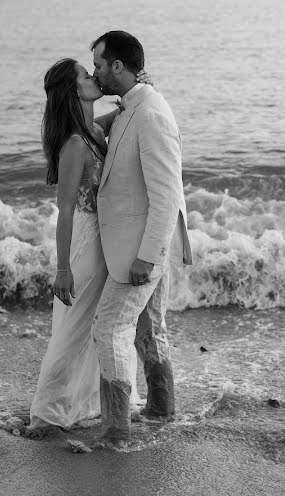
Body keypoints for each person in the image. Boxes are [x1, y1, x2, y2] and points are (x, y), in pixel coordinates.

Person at [26, 57, 144, 437]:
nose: (93, 76)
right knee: (74, 329)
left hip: (104, 240)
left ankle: (85, 405)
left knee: (97, 327)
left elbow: (119, 117)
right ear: (74, 90)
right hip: (84, 244)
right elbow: (63, 209)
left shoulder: (92, 129)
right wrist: (62, 269)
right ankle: (46, 415)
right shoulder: (76, 144)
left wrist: (139, 92)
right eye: (85, 74)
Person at [90, 31, 193, 449]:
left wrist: (147, 257)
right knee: (148, 329)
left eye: (98, 64)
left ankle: (117, 432)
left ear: (118, 66)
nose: (95, 71)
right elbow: (101, 128)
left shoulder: (150, 113)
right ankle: (161, 410)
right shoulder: (136, 103)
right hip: (141, 240)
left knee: (109, 327)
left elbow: (166, 195)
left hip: (143, 245)